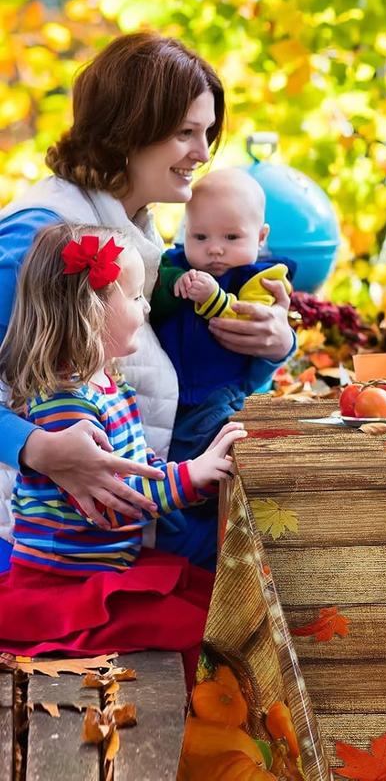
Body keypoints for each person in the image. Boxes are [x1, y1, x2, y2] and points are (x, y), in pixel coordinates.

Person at [0, 32, 295, 571]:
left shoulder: (143, 234)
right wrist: (34, 447)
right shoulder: (41, 239)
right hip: (46, 553)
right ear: (126, 130)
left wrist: (271, 346)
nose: (203, 155)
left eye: (207, 133)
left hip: (141, 524)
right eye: (186, 133)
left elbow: (183, 380)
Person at [0, 223, 244, 682]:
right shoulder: (67, 408)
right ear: (89, 312)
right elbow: (114, 503)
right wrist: (190, 475)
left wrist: (195, 477)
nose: (148, 306)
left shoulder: (111, 387)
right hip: (67, 586)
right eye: (135, 298)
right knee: (195, 628)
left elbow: (140, 468)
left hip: (106, 568)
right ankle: (190, 740)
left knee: (214, 602)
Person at [147, 169, 294, 566]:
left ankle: (235, 548)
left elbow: (251, 323)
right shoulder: (172, 266)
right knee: (175, 482)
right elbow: (153, 300)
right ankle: (183, 544)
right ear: (184, 232)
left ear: (260, 237)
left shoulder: (262, 278)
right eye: (200, 237)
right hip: (171, 406)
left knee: (231, 473)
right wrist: (171, 284)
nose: (215, 250)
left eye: (231, 238)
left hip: (221, 400)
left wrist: (212, 298)